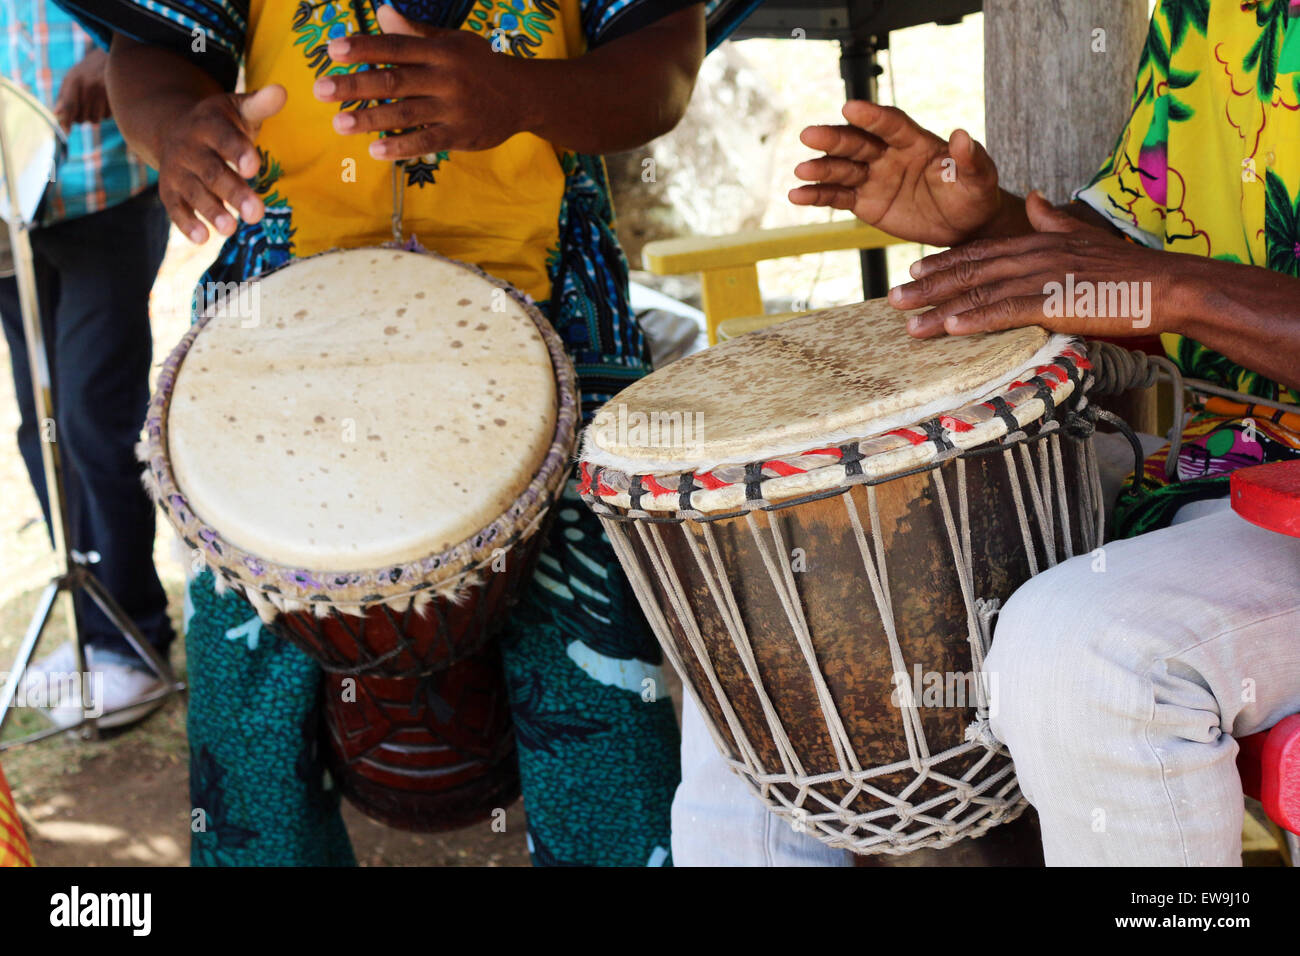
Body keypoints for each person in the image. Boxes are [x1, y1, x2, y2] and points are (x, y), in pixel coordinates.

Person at [59, 0, 707, 866]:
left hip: (552, 310)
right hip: (283, 331)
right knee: (250, 697)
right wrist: (177, 123)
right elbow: (154, 46)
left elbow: (661, 65)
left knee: (595, 683)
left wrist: (520, 94)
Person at [674, 0, 1300, 866]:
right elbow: (1142, 269)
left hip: (1282, 510)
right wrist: (990, 226)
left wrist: (1182, 287)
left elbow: (1171, 281)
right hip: (1210, 470)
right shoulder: (1222, 14)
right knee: (794, 577)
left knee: (1086, 653)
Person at [0, 0, 174, 729]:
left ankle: (134, 642)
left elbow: (187, 22)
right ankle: (94, 629)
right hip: (12, 209)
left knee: (93, 421)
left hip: (107, 192)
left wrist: (120, 58)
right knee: (40, 428)